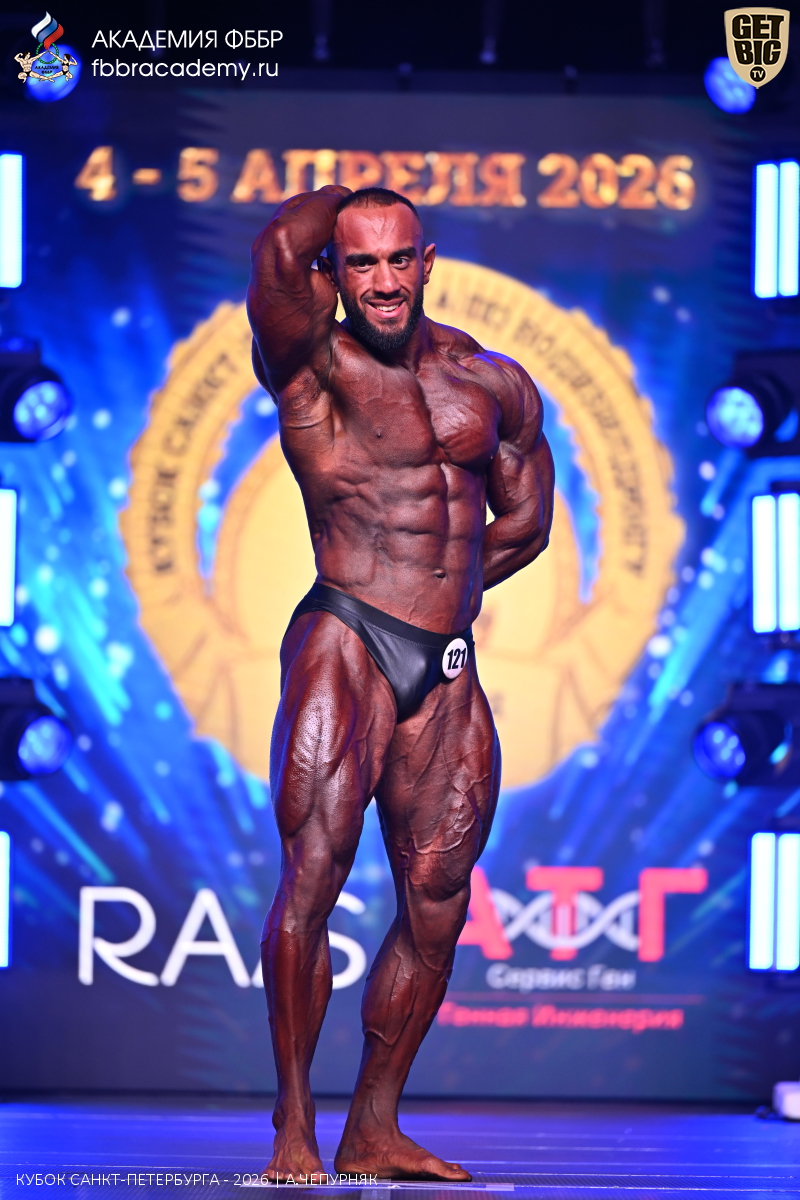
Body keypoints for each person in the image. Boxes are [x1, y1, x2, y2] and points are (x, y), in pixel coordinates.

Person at [247, 184, 554, 1182]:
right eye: (359, 262)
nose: (381, 281)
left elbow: (526, 522)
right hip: (345, 635)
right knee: (314, 880)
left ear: (426, 264)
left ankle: (372, 1125)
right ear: (335, 274)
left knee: (437, 898)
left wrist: (442, 589)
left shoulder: (491, 381)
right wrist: (351, 197)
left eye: (396, 258)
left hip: (447, 658)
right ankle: (295, 1122)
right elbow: (276, 251)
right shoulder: (310, 361)